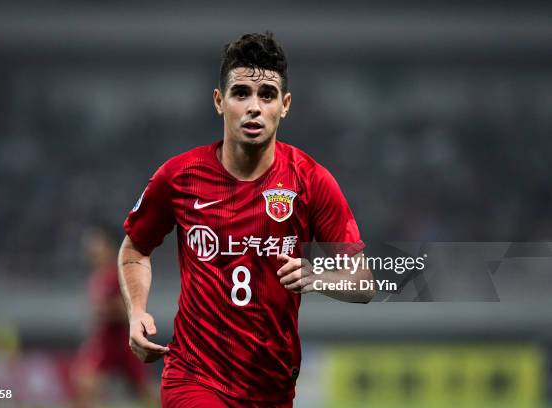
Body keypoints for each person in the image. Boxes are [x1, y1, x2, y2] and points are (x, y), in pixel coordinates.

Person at [118, 32, 374, 408]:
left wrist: (317, 276)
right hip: (194, 377)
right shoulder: (179, 177)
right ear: (219, 102)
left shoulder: (311, 181)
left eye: (266, 95)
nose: (254, 107)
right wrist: (137, 311)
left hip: (271, 388)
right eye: (241, 93)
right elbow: (134, 248)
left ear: (284, 105)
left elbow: (363, 282)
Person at [73, 225, 152, 408]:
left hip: (122, 338)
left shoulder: (118, 272)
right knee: (85, 383)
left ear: (108, 246)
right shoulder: (97, 276)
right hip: (106, 339)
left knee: (143, 390)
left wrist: (104, 310)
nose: (92, 248)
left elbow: (129, 307)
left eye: (97, 243)